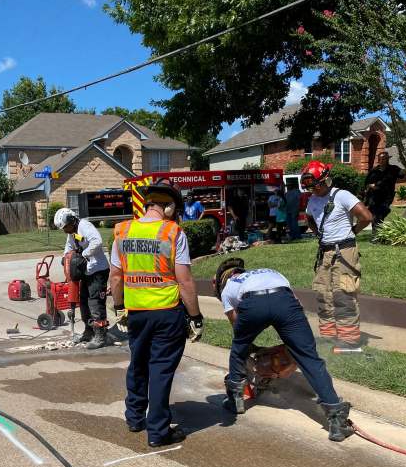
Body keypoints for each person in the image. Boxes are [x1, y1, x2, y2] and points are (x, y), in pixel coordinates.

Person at [214, 258, 353, 441]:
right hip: (284, 300)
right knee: (309, 358)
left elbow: (237, 328)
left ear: (223, 279)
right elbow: (297, 304)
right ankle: (337, 420)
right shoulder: (269, 271)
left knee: (238, 349)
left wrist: (252, 348)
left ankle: (235, 400)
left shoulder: (230, 286)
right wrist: (296, 347)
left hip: (253, 304)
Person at [110, 179, 204, 447]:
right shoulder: (174, 233)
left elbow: (115, 277)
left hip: (137, 312)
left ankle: (134, 417)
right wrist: (195, 317)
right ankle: (158, 431)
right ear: (169, 206)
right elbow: (185, 281)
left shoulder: (123, 231)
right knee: (160, 370)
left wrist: (120, 307)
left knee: (138, 363)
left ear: (148, 203)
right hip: (167, 313)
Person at [304, 161, 373, 352]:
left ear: (326, 180)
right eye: (310, 187)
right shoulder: (313, 200)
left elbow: (366, 217)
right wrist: (319, 234)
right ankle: (328, 335)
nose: (313, 190)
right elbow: (309, 218)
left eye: (315, 185)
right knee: (323, 294)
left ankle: (349, 340)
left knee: (343, 294)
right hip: (325, 252)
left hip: (344, 252)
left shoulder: (342, 196)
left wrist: (350, 233)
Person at [54, 207, 111, 349]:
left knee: (95, 302)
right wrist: (65, 257)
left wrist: (84, 254)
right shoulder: (72, 232)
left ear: (72, 220)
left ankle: (100, 335)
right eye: (64, 228)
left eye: (66, 227)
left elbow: (97, 241)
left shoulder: (85, 226)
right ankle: (89, 330)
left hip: (98, 270)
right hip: (86, 271)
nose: (65, 230)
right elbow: (69, 246)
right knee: (84, 301)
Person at [364, 151, 403, 239]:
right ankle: (376, 236)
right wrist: (371, 186)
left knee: (379, 214)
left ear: (388, 159)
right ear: (378, 160)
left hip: (386, 196)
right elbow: (366, 183)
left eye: (384, 159)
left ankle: (376, 236)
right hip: (374, 196)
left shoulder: (393, 169)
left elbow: (403, 175)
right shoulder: (374, 170)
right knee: (375, 216)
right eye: (380, 159)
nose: (382, 160)